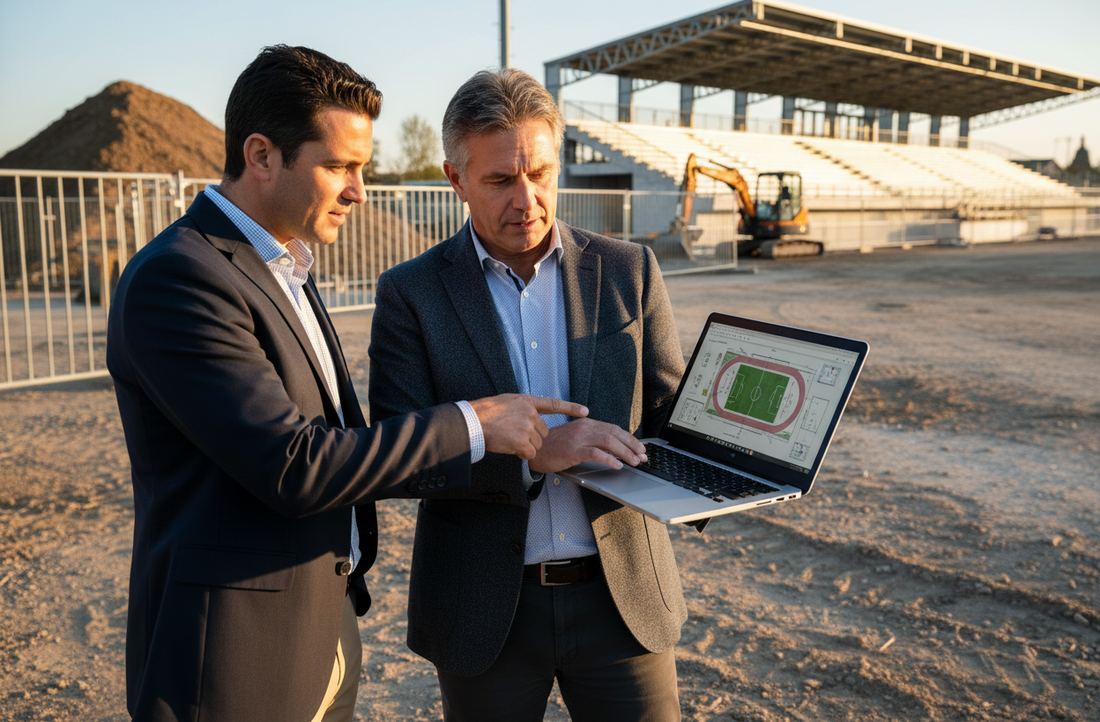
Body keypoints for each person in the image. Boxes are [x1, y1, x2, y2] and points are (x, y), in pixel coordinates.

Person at [106, 47, 585, 722]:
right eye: (339, 166)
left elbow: (345, 442)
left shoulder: (282, 264)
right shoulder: (180, 278)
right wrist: (477, 421)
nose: (359, 189)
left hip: (318, 627)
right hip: (233, 657)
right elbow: (297, 463)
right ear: (262, 155)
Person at [368, 68, 688, 721]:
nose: (527, 199)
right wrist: (530, 454)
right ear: (454, 178)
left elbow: (667, 417)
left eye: (540, 172)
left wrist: (741, 451)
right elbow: (398, 454)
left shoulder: (630, 270)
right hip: (485, 611)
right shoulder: (411, 294)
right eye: (500, 180)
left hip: (622, 602)